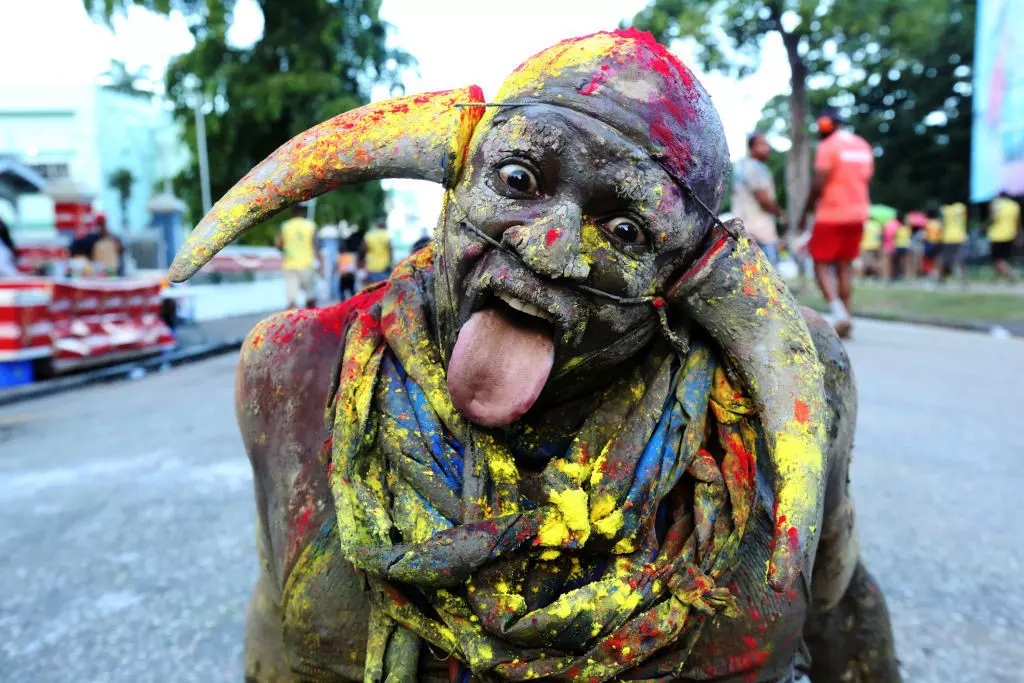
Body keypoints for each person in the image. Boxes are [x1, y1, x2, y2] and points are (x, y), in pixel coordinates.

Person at [168, 29, 899, 683]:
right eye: (518, 180)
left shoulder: (787, 390)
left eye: (625, 229)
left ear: (682, 280)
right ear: (459, 178)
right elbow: (279, 626)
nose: (550, 245)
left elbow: (836, 605)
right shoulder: (298, 367)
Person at [798, 108, 875, 338]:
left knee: (820, 263)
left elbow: (820, 181)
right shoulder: (862, 145)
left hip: (831, 214)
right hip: (858, 214)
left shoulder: (827, 146)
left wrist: (806, 210)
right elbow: (866, 177)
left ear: (825, 124)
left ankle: (839, 313)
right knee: (845, 265)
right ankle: (846, 316)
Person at [732, 131, 785, 266]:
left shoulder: (742, 166)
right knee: (769, 272)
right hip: (760, 230)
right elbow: (763, 200)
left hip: (745, 228)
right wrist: (780, 213)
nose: (767, 148)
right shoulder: (755, 168)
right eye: (762, 144)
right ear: (752, 147)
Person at [276, 204, 318, 308]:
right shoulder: (310, 225)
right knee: (310, 297)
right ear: (304, 211)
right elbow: (316, 245)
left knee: (292, 300)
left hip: (290, 265)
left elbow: (278, 244)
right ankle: (312, 321)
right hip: (306, 265)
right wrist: (319, 262)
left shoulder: (286, 226)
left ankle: (291, 321)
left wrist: (285, 250)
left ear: (292, 211)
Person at [988, 191, 1020, 280]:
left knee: (997, 258)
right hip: (1010, 234)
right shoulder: (1014, 205)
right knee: (1004, 257)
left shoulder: (996, 204)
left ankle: (1011, 272)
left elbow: (993, 218)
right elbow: (1017, 221)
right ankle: (996, 278)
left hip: (997, 235)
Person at [939, 200, 968, 283]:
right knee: (960, 259)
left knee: (945, 260)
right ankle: (964, 279)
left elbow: (942, 223)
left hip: (947, 237)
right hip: (960, 236)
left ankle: (942, 278)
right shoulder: (961, 207)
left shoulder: (944, 209)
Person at [359, 220, 392, 284]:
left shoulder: (369, 235)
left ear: (376, 226)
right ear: (385, 227)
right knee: (384, 289)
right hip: (385, 267)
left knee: (373, 289)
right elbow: (390, 250)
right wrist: (390, 262)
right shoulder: (386, 235)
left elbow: (362, 249)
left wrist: (361, 262)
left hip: (372, 267)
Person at [336, 221, 361, 301]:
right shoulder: (350, 256)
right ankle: (353, 303)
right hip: (350, 275)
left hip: (344, 276)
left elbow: (337, 266)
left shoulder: (340, 257)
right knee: (351, 291)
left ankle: (343, 304)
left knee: (342, 291)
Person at [892, 215, 912, 280]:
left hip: (899, 245)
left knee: (899, 262)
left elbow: (894, 236)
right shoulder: (907, 228)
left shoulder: (899, 228)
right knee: (904, 262)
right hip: (904, 245)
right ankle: (905, 275)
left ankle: (900, 274)